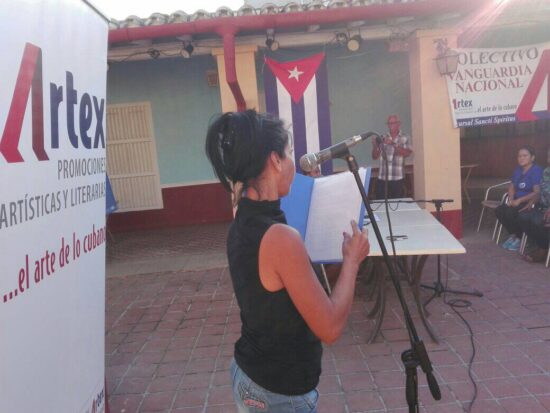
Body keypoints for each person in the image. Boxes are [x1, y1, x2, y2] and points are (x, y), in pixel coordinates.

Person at [205, 110, 370, 412]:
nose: (294, 162)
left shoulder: (244, 219)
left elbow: (289, 291)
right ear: (275, 160)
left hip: (254, 374)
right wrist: (352, 262)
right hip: (277, 394)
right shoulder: (280, 237)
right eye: (290, 153)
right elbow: (330, 327)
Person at [496, 145, 542, 252]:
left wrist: (519, 201)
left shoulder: (536, 170)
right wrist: (511, 199)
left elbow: (537, 192)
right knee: (499, 210)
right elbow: (512, 186)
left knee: (511, 213)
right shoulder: (518, 170)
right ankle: (514, 235)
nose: (521, 158)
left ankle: (521, 238)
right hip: (515, 201)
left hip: (529, 202)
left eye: (525, 156)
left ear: (532, 158)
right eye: (519, 156)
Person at [518, 148, 550, 262]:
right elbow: (540, 191)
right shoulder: (546, 171)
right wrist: (532, 201)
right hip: (543, 207)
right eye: (548, 157)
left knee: (538, 221)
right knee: (523, 216)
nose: (549, 159)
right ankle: (541, 244)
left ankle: (543, 249)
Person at [371, 114, 413, 199]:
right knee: (381, 206)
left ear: (399, 124)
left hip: (397, 179)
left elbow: (407, 153)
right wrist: (375, 146)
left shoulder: (406, 137)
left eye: (393, 123)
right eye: (389, 123)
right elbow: (375, 156)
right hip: (382, 179)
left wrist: (393, 144)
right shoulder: (382, 137)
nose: (391, 125)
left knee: (396, 207)